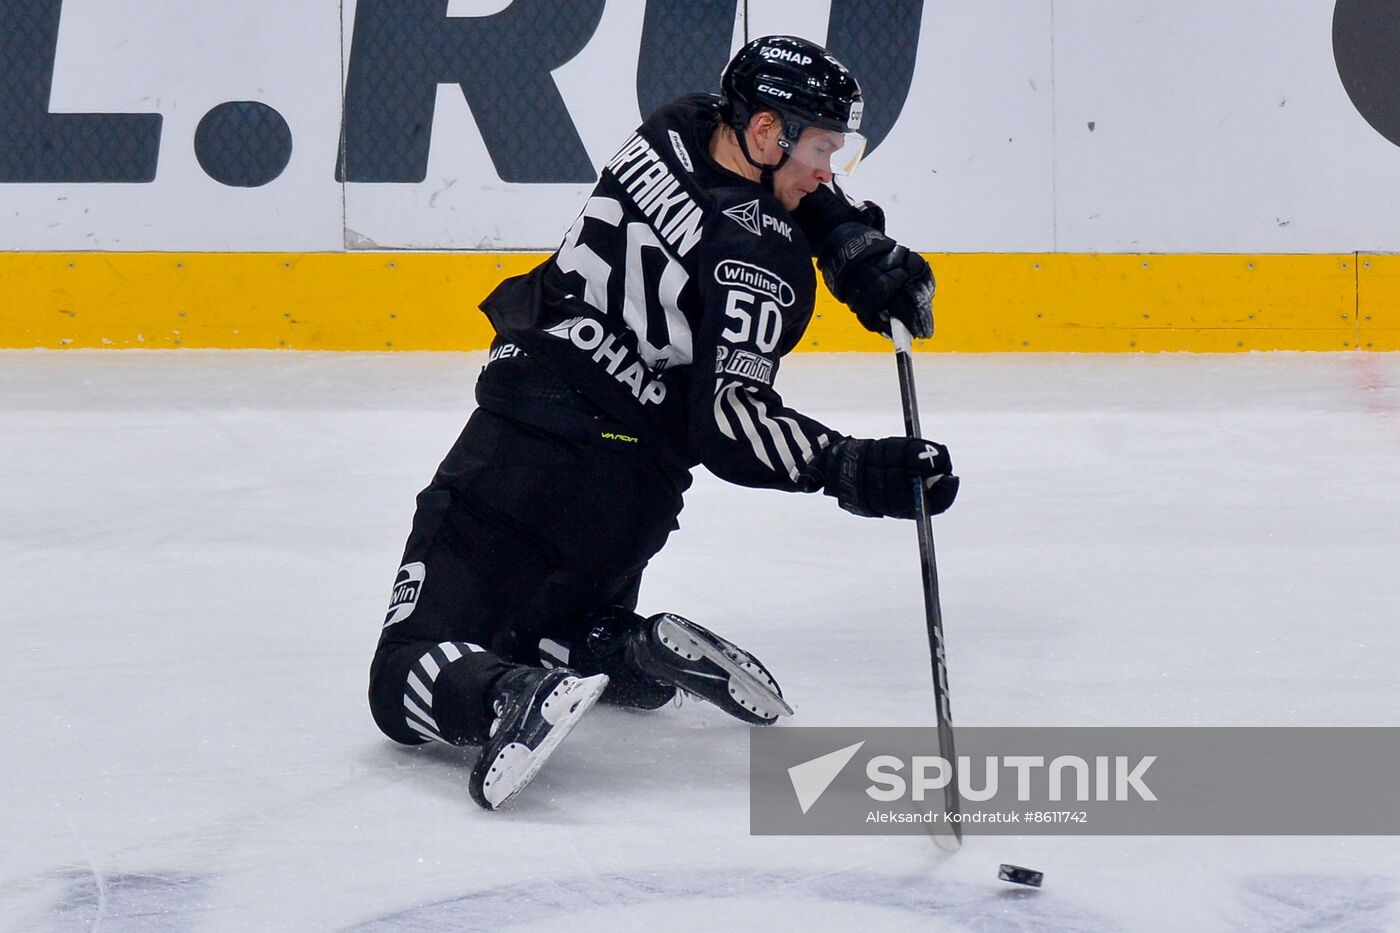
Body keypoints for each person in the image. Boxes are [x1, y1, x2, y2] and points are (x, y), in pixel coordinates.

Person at [368, 35, 959, 810]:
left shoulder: (674, 125)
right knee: (543, 623)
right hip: (632, 496)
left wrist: (843, 234)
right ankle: (619, 645)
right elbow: (730, 422)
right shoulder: (764, 267)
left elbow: (750, 205)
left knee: (402, 670)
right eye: (822, 148)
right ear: (763, 132)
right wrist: (852, 464)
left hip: (529, 447)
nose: (829, 171)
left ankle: (510, 694)